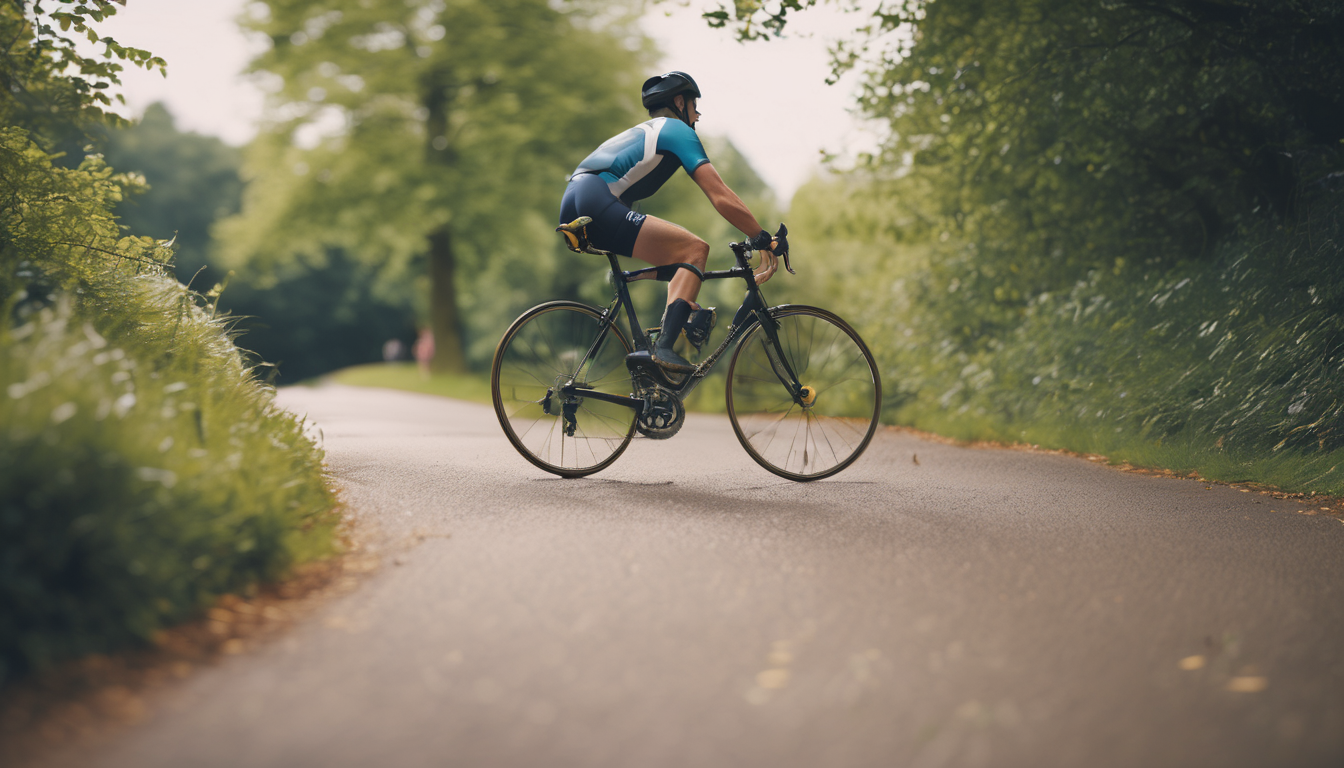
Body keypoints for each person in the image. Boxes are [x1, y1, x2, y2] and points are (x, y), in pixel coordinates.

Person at [559, 71, 780, 374]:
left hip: (576, 197)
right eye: (694, 106)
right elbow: (719, 194)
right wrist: (761, 236)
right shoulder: (676, 130)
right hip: (595, 198)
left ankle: (657, 360)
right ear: (679, 102)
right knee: (695, 249)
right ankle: (663, 350)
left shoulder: (644, 132)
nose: (698, 115)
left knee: (683, 261)